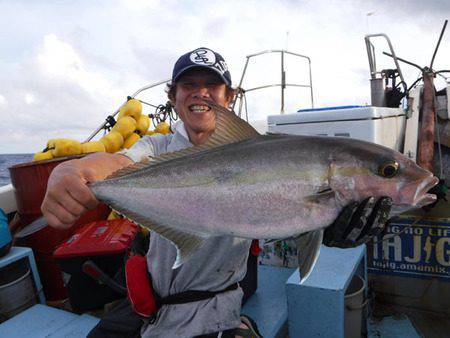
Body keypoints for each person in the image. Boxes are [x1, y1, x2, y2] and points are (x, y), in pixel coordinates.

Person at [41, 47, 392, 338]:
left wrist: (328, 223)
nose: (200, 92)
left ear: (229, 97)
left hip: (217, 310)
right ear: (174, 97)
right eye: (188, 84)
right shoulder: (157, 148)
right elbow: (117, 163)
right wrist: (73, 169)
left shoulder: (264, 151)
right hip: (152, 307)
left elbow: (291, 208)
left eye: (212, 85)